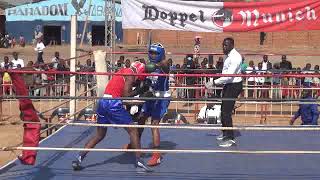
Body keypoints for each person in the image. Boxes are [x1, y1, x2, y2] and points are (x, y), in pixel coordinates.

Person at [72, 61, 152, 173]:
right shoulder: (130, 75)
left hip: (103, 102)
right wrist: (141, 91)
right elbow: (125, 96)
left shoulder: (123, 71)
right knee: (133, 130)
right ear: (140, 71)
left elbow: (122, 93)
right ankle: (139, 162)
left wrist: (139, 95)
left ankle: (78, 158)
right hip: (112, 104)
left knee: (99, 135)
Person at [124, 43, 170, 166]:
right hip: (151, 95)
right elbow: (144, 85)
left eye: (156, 53)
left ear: (161, 54)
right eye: (152, 52)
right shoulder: (146, 67)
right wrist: (131, 94)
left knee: (154, 124)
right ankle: (134, 144)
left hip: (161, 98)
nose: (153, 55)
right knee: (140, 119)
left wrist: (153, 65)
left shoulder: (164, 64)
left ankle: (156, 156)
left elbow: (164, 65)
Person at [205, 37, 243, 147]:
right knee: (223, 109)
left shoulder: (235, 57)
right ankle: (225, 132)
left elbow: (228, 76)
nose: (223, 47)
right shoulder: (228, 55)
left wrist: (213, 82)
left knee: (226, 111)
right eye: (223, 45)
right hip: (228, 84)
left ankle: (230, 138)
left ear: (232, 45)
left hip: (234, 85)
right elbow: (224, 73)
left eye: (226, 45)